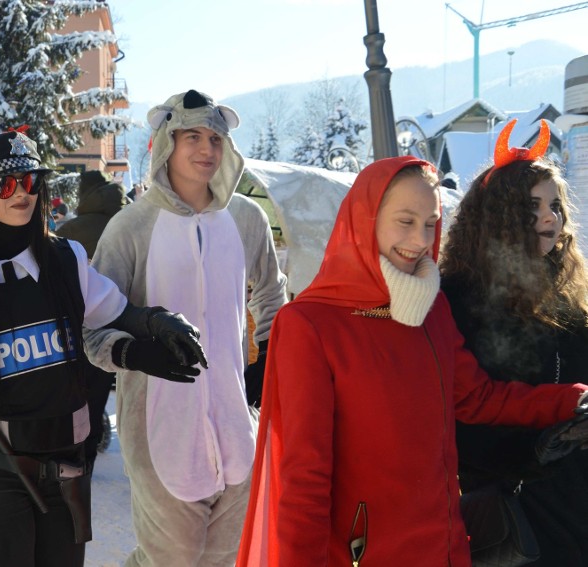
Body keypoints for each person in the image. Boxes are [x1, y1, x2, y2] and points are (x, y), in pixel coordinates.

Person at [235, 155, 588, 566]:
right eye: (405, 221)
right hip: (363, 552)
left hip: (444, 545)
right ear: (365, 218)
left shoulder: (431, 306)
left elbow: (477, 397)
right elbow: (304, 479)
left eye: (431, 223)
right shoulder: (311, 324)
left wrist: (569, 400)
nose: (421, 239)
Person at [0, 127, 207, 567]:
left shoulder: (64, 258)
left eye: (31, 182)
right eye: (5, 183)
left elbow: (115, 311)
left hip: (67, 468)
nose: (22, 193)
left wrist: (157, 323)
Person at [83, 89, 287, 566]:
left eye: (216, 137)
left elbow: (273, 294)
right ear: (164, 143)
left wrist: (266, 359)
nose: (207, 149)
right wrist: (134, 354)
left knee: (226, 560)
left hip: (238, 431)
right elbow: (91, 327)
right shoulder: (130, 227)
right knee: (168, 561)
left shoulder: (247, 219)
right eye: (191, 135)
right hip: (159, 433)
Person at [441, 120, 588, 566]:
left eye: (555, 205)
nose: (551, 217)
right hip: (514, 507)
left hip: (575, 495)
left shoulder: (564, 288)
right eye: (533, 207)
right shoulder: (459, 297)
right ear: (499, 217)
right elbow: (464, 416)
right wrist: (535, 452)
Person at [56, 169, 130, 470]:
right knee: (100, 391)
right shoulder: (128, 223)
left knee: (74, 392)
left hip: (75, 324)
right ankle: (92, 444)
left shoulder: (71, 230)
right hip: (121, 318)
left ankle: (74, 455)